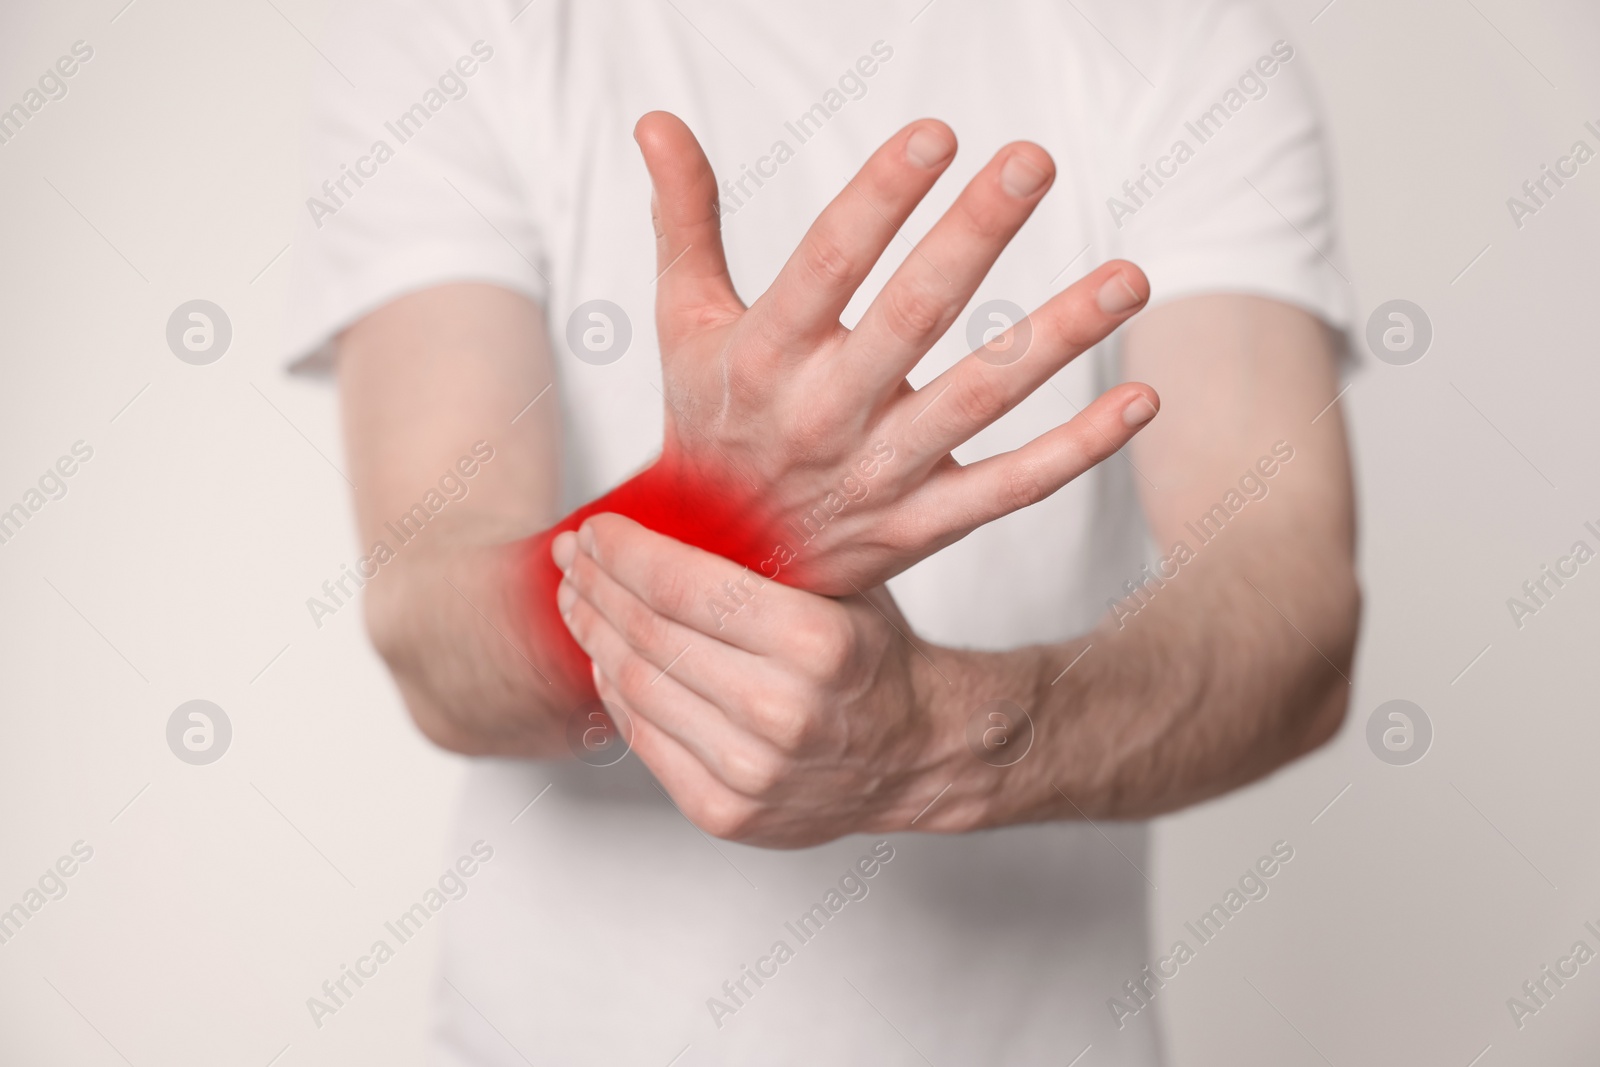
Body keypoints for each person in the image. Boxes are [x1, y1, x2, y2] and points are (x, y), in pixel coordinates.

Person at [284, 0, 1358, 1062]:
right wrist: (705, 523)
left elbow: (1290, 603)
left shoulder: (1177, 39)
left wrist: (942, 740)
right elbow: (433, 627)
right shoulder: (459, 28)